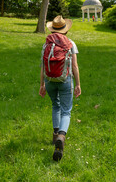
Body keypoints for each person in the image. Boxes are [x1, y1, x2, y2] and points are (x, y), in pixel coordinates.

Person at [39, 15, 81, 161]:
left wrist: (42, 84)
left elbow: (43, 66)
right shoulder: (70, 43)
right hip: (65, 80)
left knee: (55, 106)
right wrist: (78, 84)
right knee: (66, 110)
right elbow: (74, 66)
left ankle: (55, 135)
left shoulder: (46, 45)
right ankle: (61, 137)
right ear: (65, 30)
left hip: (49, 80)